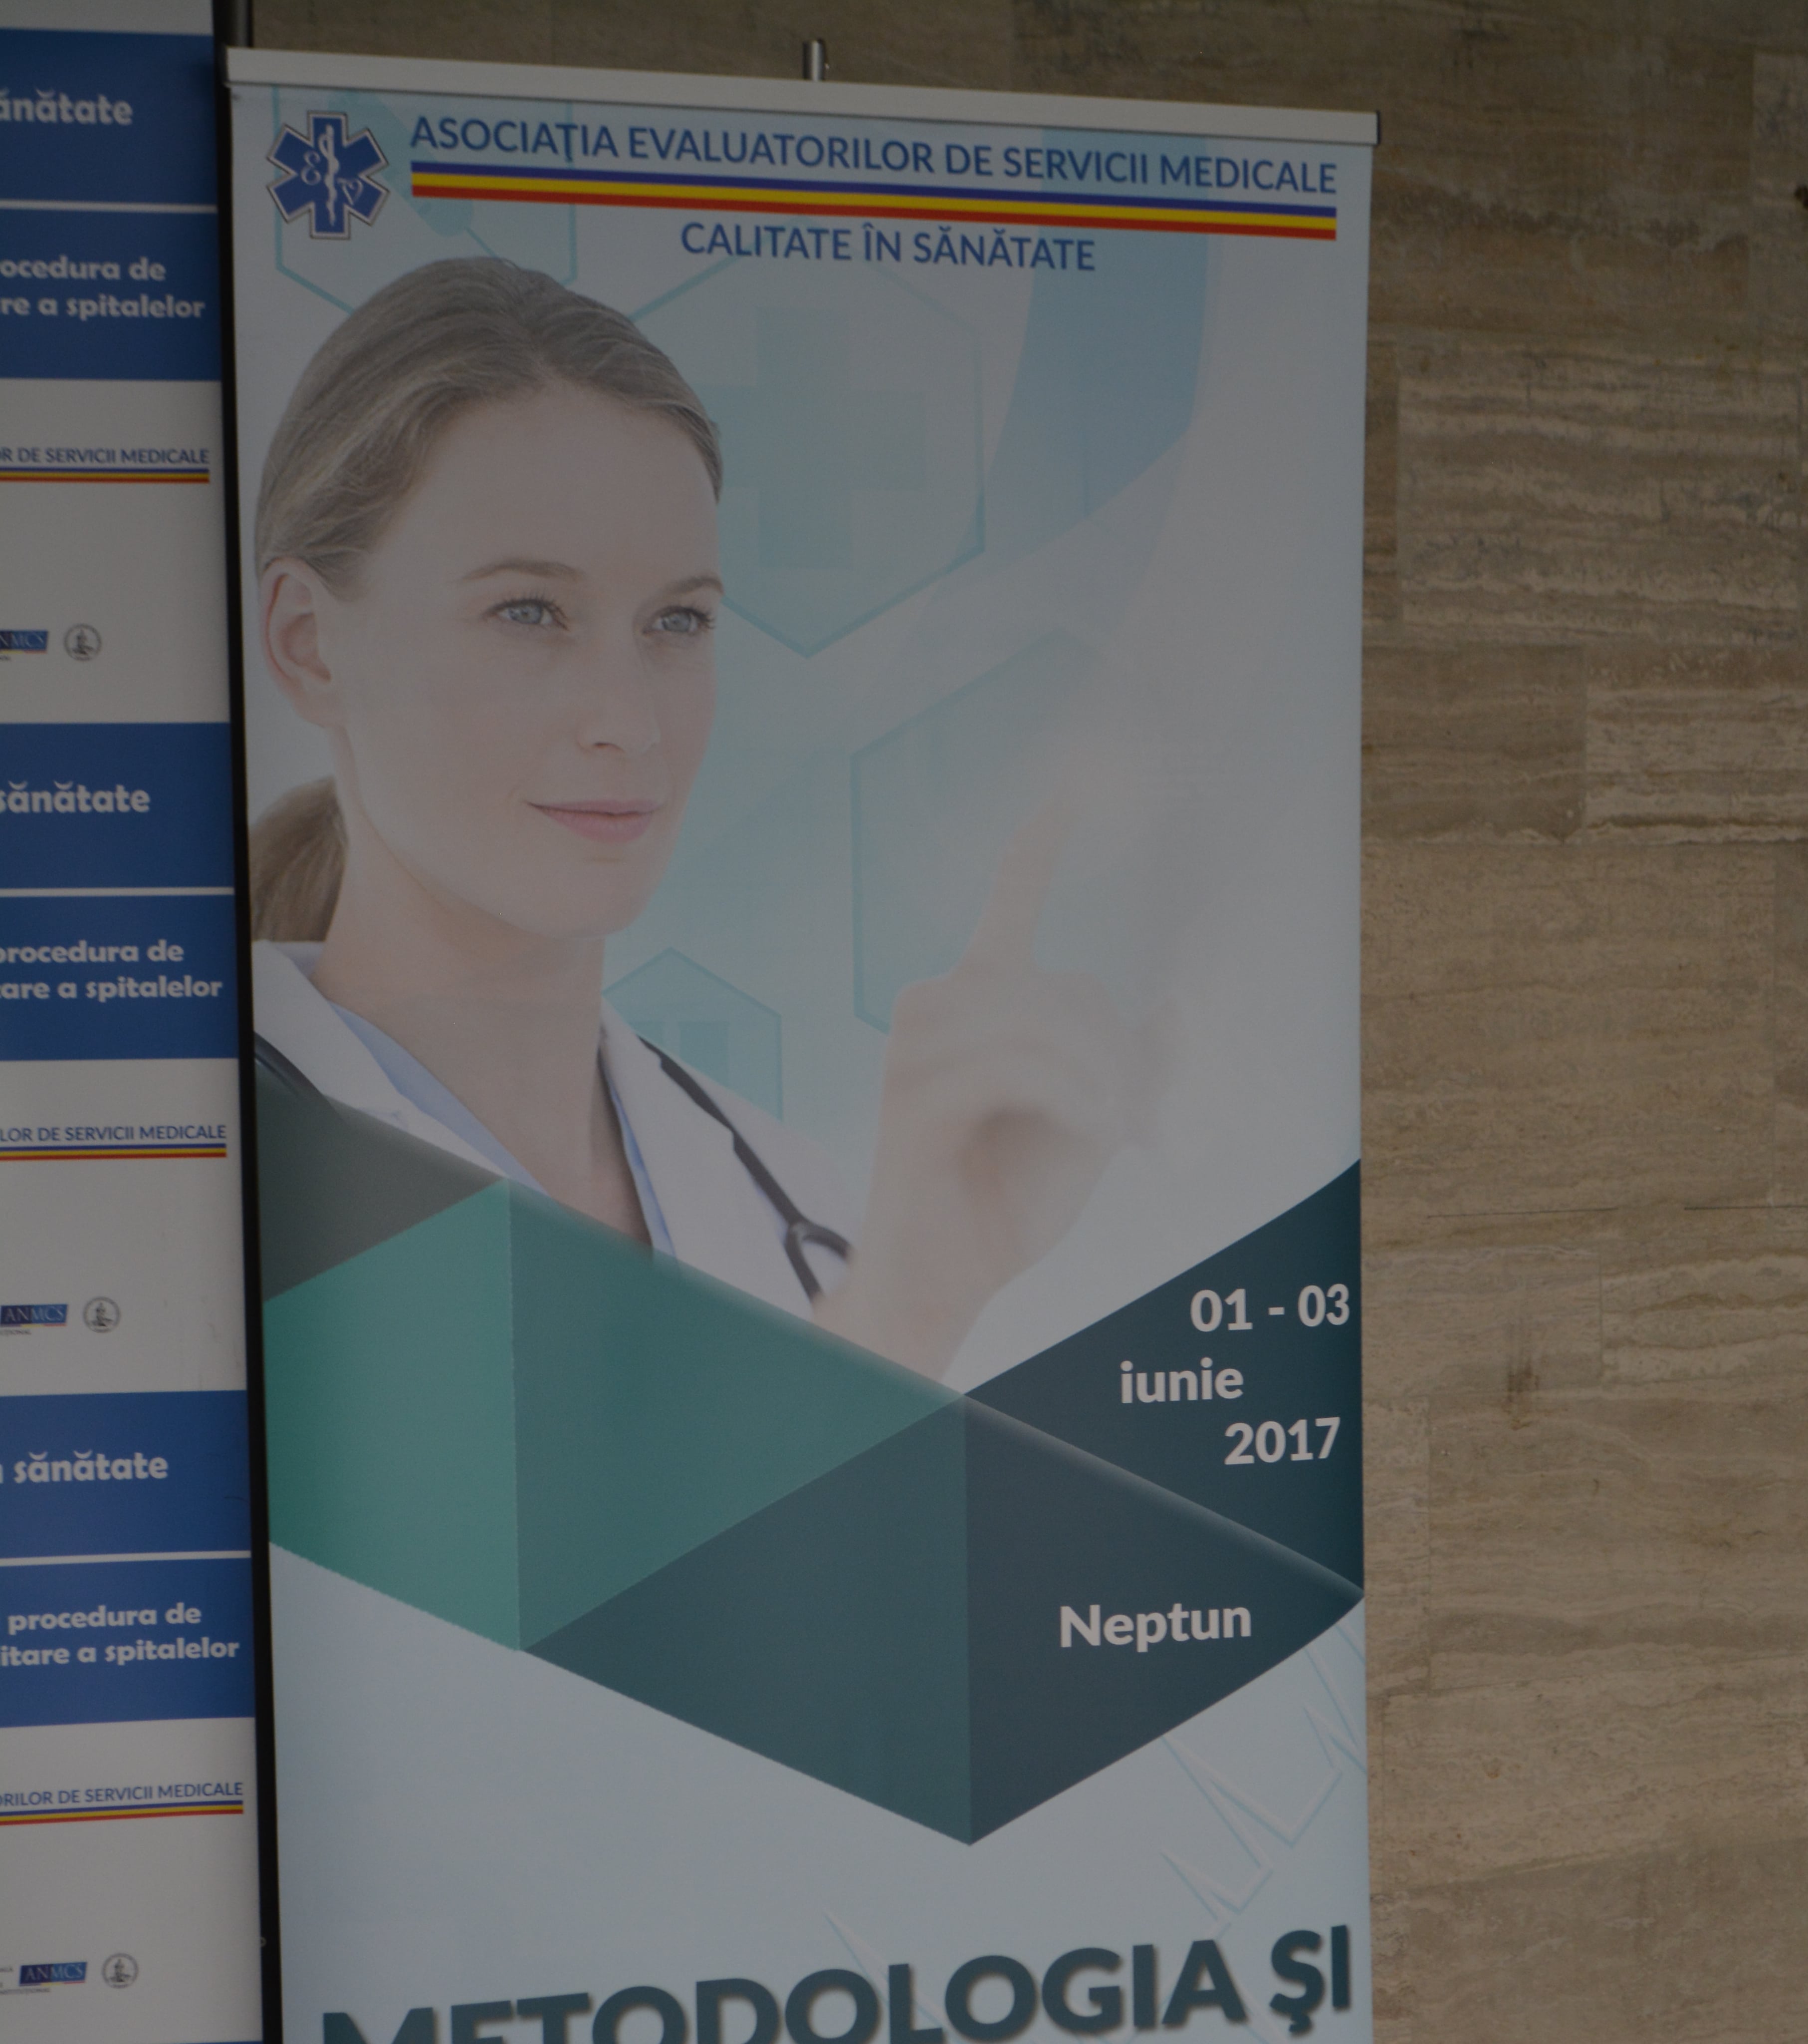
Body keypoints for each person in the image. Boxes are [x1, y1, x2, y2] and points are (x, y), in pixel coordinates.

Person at [250, 257, 1154, 1377]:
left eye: (676, 622)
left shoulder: (793, 1196)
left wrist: (922, 1289)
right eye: (529, 611)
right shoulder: (212, 1175)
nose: (629, 722)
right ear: (308, 644)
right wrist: (900, 1322)